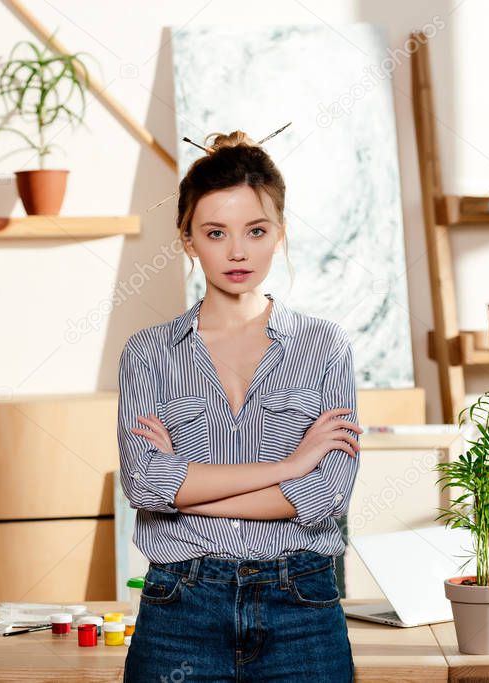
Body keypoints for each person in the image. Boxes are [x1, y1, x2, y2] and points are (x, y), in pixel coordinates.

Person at [119, 130, 363, 682]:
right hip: (181, 605)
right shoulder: (149, 351)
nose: (237, 252)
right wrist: (289, 466)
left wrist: (185, 493)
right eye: (214, 233)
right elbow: (143, 484)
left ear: (279, 234)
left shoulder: (325, 346)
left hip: (300, 604)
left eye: (256, 230)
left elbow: (325, 495)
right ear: (187, 240)